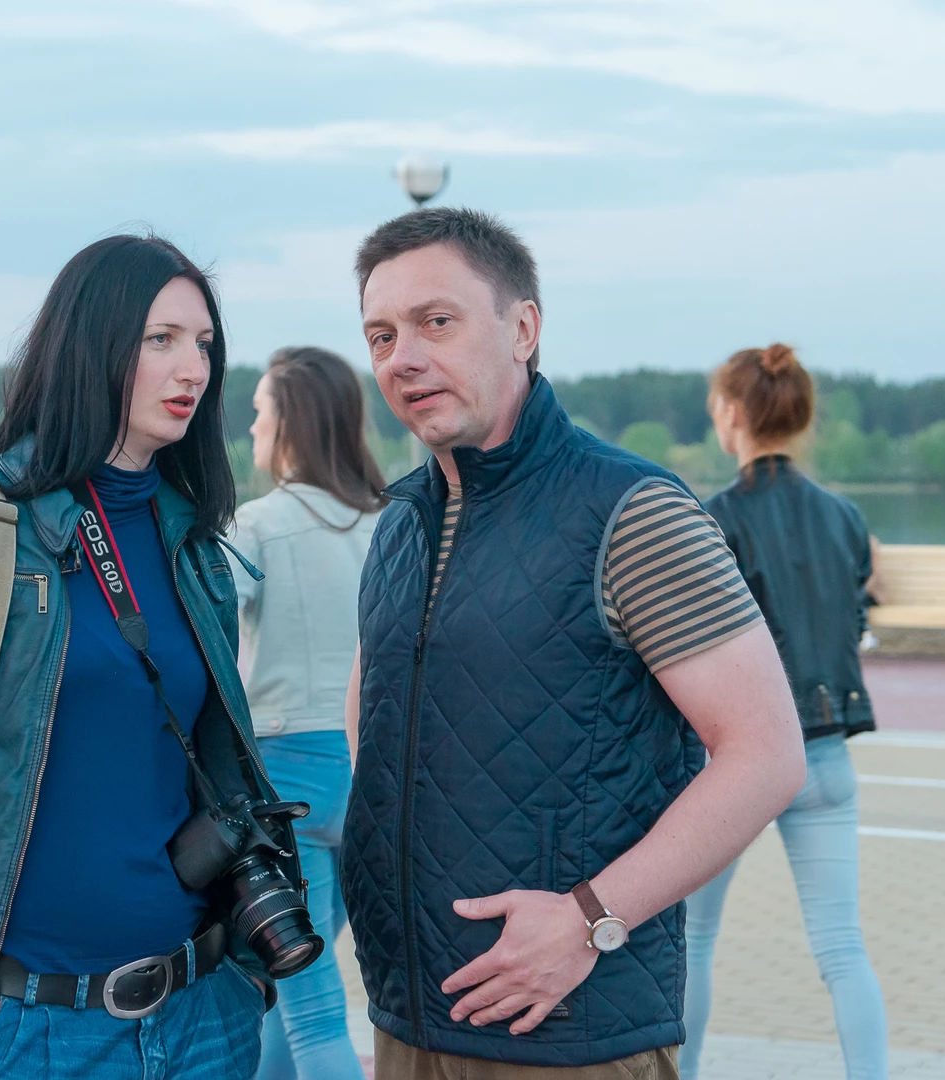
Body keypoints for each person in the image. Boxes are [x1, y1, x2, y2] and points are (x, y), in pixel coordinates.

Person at [340, 208, 806, 1079]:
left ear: (522, 329)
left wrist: (589, 918)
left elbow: (766, 754)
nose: (402, 357)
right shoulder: (400, 524)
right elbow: (371, 720)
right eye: (381, 335)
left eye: (436, 321)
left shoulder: (630, 512)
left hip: (570, 1032)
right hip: (410, 1015)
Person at [0, 235, 295, 1080]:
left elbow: (217, 767)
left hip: (200, 1020)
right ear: (89, 345)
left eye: (204, 344)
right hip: (20, 1032)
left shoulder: (194, 544)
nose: (192, 368)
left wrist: (242, 981)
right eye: (160, 340)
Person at [683, 344, 889, 1080]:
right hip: (827, 756)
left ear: (732, 413)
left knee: (691, 939)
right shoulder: (844, 515)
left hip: (737, 764)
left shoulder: (712, 520)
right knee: (842, 948)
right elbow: (853, 617)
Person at [227, 346, 388, 1080]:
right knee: (284, 990)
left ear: (290, 422)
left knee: (311, 1007)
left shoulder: (258, 526)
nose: (252, 428)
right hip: (371, 776)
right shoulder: (392, 522)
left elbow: (204, 637)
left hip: (285, 781)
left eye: (260, 411)